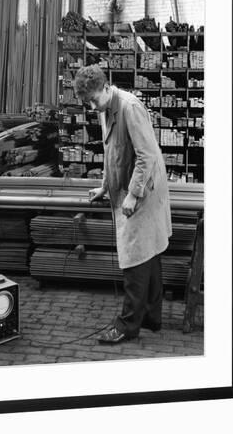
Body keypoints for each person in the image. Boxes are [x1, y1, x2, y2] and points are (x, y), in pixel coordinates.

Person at [74, 65, 172, 344]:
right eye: (88, 103)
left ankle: (127, 326)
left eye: (94, 100)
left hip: (144, 190)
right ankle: (152, 318)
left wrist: (132, 193)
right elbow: (110, 151)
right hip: (131, 187)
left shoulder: (129, 107)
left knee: (134, 257)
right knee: (150, 253)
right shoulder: (106, 110)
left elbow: (147, 155)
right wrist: (105, 186)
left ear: (106, 88)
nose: (92, 107)